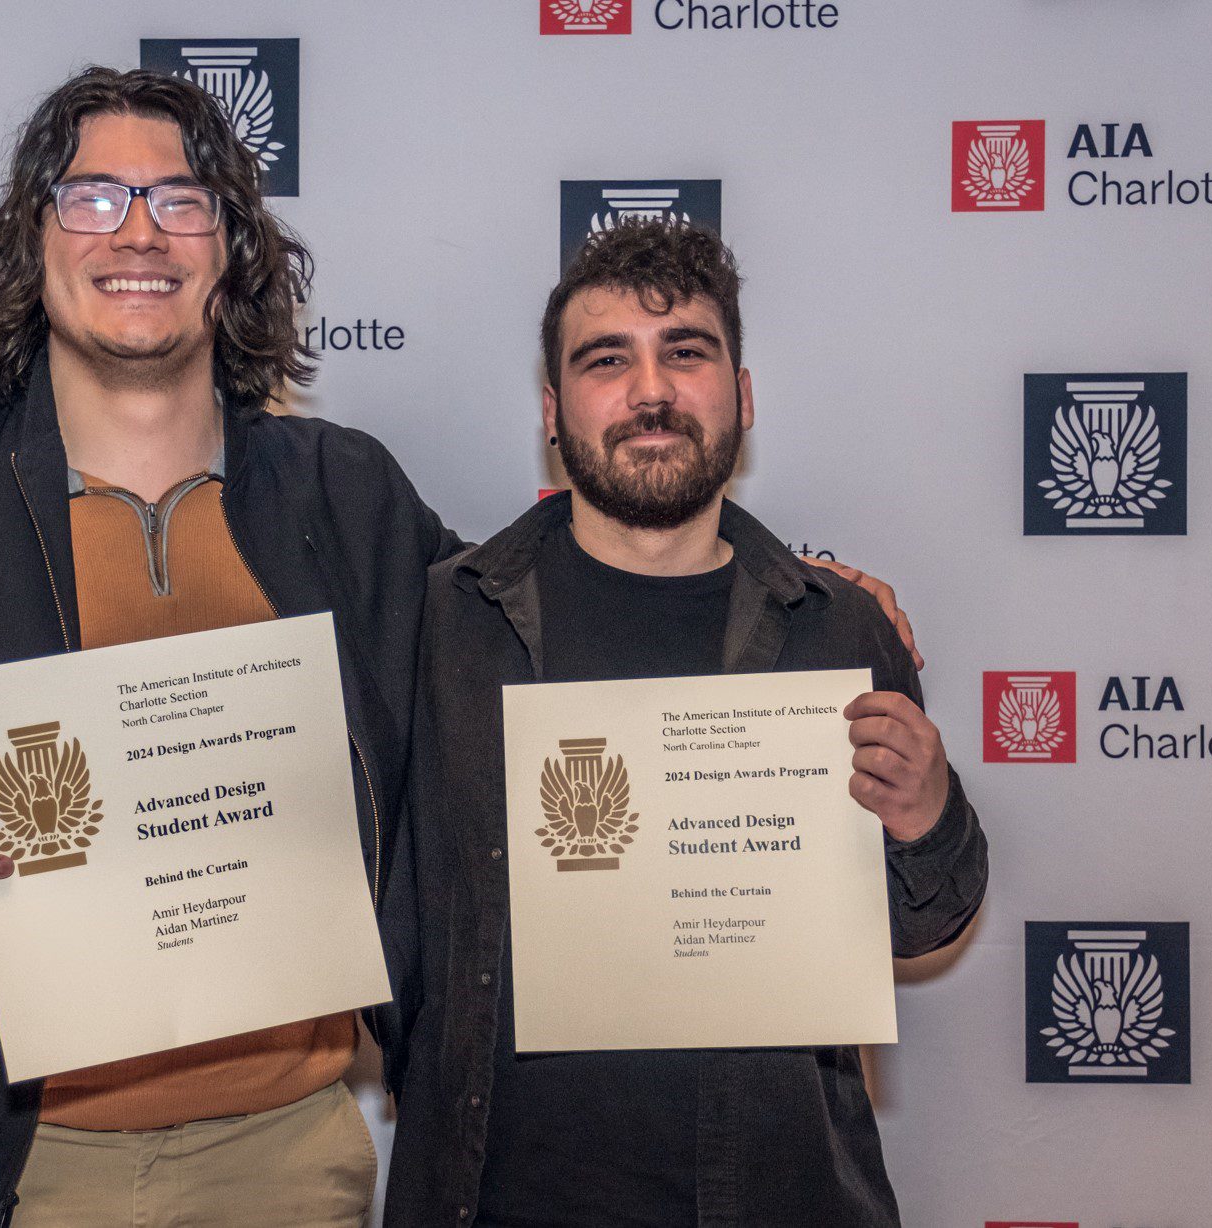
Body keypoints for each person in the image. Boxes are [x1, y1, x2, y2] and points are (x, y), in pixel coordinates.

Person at [0, 66, 919, 1227]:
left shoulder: (348, 500)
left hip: (274, 1157)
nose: (137, 232)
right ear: (35, 240)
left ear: (230, 255)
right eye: (92, 195)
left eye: (180, 199)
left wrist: (783, 590)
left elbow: (556, 611)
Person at [379, 219, 989, 1228]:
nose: (649, 390)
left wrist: (929, 816)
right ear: (552, 409)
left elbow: (923, 924)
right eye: (605, 359)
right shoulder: (444, 621)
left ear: (742, 396)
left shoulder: (835, 627)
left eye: (686, 353)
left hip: (776, 1200)